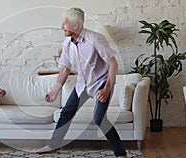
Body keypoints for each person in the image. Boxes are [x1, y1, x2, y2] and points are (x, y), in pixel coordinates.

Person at [34, 8, 128, 158]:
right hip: (83, 85)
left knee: (99, 118)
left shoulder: (95, 39)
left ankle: (121, 153)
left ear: (75, 25)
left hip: (102, 83)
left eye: (64, 23)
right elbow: (65, 69)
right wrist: (54, 91)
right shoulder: (67, 43)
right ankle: (53, 145)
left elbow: (113, 64)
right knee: (66, 113)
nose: (61, 27)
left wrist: (106, 89)